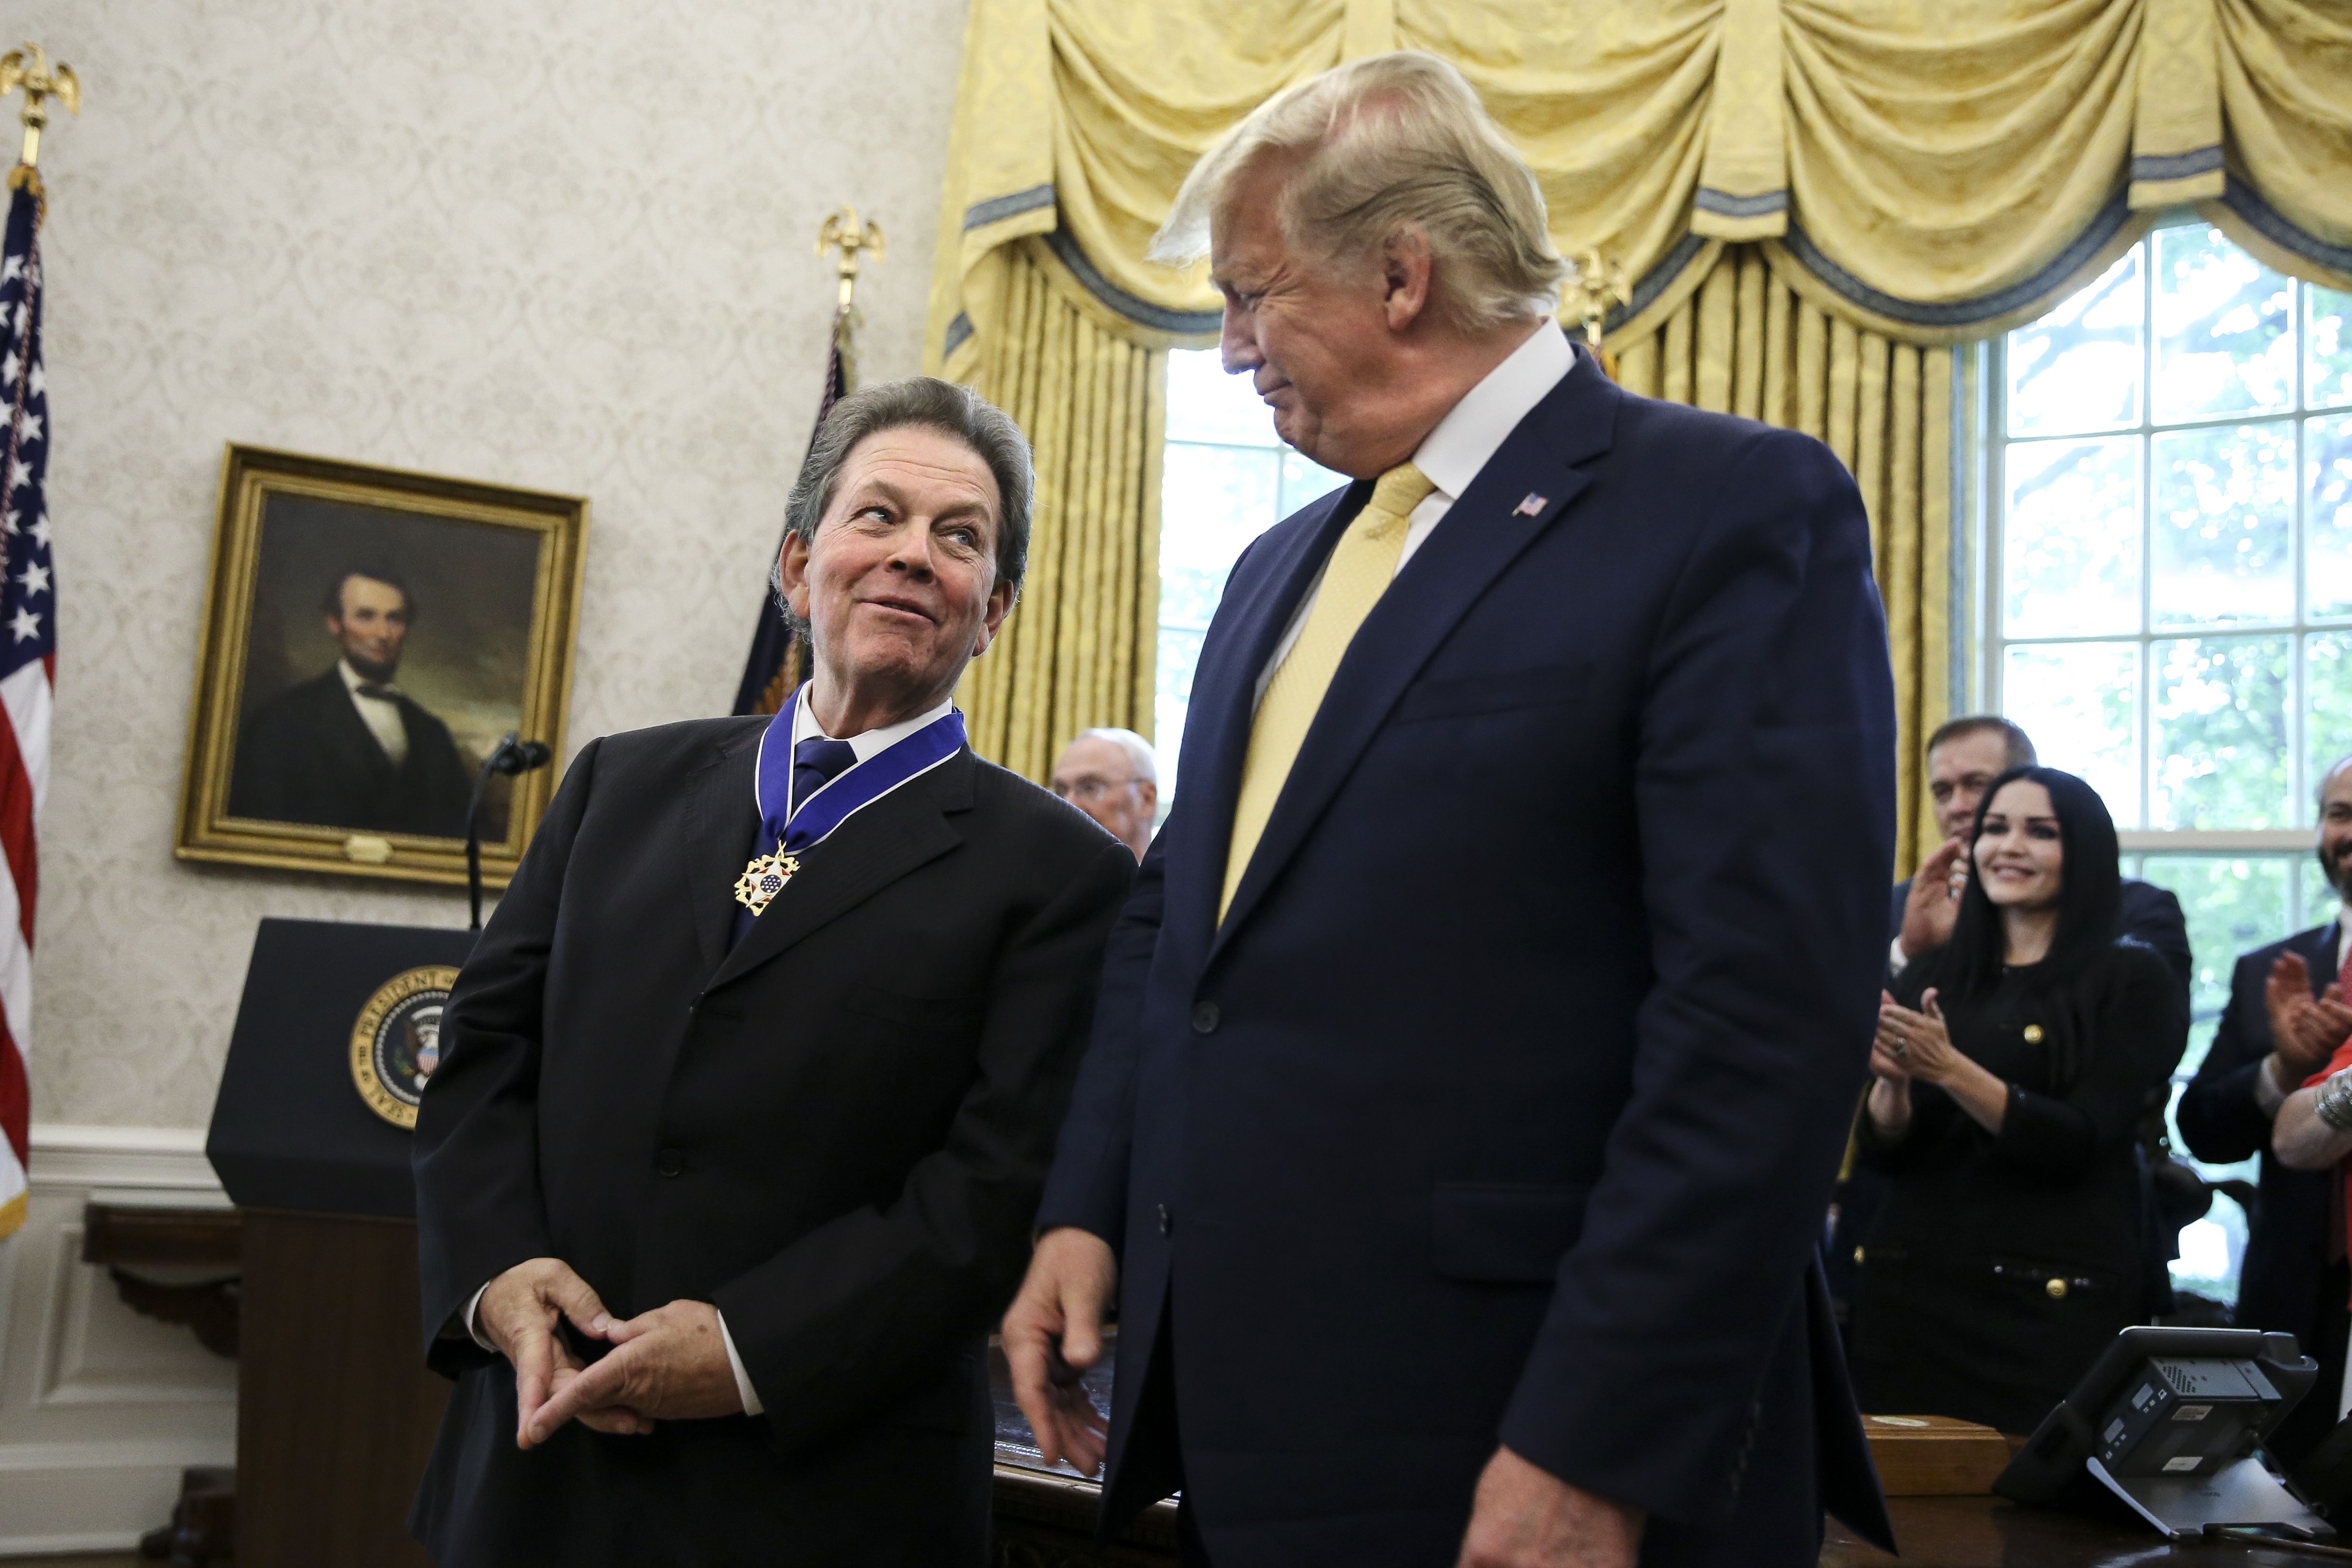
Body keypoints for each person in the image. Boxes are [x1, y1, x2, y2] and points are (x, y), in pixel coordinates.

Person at [1001, 52, 1895, 1568]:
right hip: (1249, 1416)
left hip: (1524, 1435)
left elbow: (1762, 1022)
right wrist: (1088, 1204)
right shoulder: (1273, 573)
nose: (1230, 349)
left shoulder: (1726, 511)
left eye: (1251, 295)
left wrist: (1592, 1446)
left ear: (1402, 275)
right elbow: (1179, 923)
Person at [407, 377, 1137, 1568]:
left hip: (825, 1491)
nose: (913, 556)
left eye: (959, 538)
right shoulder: (613, 788)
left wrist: (749, 1348)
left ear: (993, 609)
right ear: (796, 566)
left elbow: (991, 1186)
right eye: (878, 517)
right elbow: (483, 1061)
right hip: (536, 1467)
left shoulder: (1063, 874)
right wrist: (497, 1275)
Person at [1851, 767, 2187, 1436]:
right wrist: (1893, 1082)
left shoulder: (2131, 978)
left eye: (2041, 831)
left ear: (2086, 850)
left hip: (2045, 1304)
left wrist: (1947, 1067)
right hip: (1914, 1295)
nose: (2009, 846)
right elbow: (1887, 1153)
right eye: (1995, 828)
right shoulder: (1933, 973)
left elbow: (2077, 1140)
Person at [2218, 755, 2352, 1448]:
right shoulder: (2270, 969)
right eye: (2340, 812)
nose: (2350, 830)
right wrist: (2283, 1068)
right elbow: (2204, 1128)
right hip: (2294, 1301)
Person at [1890, 715, 2188, 988]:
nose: (1957, 807)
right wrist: (1908, 952)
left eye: (1977, 785)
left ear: (2029, 784)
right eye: (1943, 792)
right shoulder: (1901, 908)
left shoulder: (2138, 910)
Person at [228, 567, 477, 836]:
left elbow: (465, 835)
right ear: (335, 624)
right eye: (365, 616)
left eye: (395, 619)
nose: (383, 633)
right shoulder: (281, 720)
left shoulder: (432, 733)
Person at [1051, 727, 1159, 860]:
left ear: (1147, 799)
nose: (1069, 804)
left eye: (1090, 788)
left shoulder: (1184, 878)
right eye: (1061, 791)